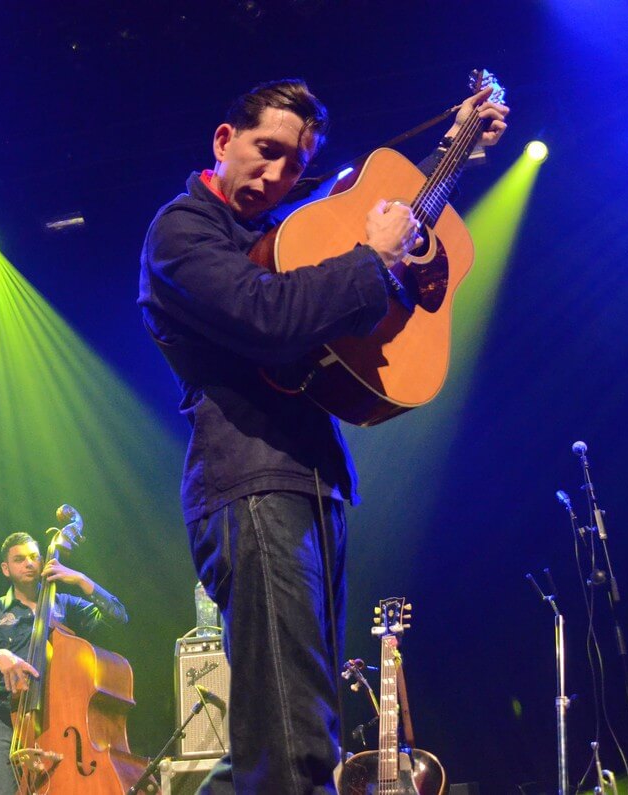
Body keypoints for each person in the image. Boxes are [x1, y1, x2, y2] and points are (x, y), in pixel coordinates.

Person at [138, 79, 507, 793]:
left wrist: (450, 157)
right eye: (265, 150)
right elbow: (270, 313)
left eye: (292, 161)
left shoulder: (290, 230)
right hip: (251, 482)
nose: (277, 174)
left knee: (305, 718)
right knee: (291, 732)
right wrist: (374, 259)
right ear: (224, 141)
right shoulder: (182, 232)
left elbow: (364, 289)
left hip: (312, 480)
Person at [0, 531, 128, 795]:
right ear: (6, 568)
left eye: (34, 557)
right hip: (3, 717)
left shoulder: (63, 604)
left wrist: (82, 580)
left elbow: (118, 617)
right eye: (19, 559)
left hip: (54, 717)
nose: (29, 563)